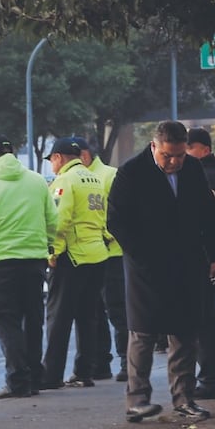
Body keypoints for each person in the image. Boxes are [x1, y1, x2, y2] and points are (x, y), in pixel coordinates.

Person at [107, 121, 215, 422]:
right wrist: (142, 256)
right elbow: (117, 222)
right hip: (145, 265)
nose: (173, 162)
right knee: (143, 333)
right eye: (166, 156)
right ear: (154, 146)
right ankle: (137, 400)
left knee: (184, 332)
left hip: (187, 262)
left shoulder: (192, 170)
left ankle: (184, 399)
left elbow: (208, 217)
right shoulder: (132, 172)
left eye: (179, 156)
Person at [0, 134, 57, 400]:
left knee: (6, 322)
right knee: (32, 321)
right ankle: (34, 378)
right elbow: (53, 220)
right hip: (34, 264)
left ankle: (18, 381)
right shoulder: (37, 182)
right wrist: (46, 246)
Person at [40, 138, 110, 389]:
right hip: (97, 254)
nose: (52, 166)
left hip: (72, 257)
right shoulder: (95, 179)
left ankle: (52, 375)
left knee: (58, 318)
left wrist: (53, 253)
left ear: (58, 157)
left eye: (52, 161)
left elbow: (60, 221)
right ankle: (84, 372)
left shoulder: (65, 181)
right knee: (87, 317)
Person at [74, 136, 130, 383]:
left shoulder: (110, 175)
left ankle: (128, 362)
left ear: (84, 156)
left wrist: (105, 236)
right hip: (87, 255)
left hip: (112, 254)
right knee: (93, 311)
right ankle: (100, 363)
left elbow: (119, 212)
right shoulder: (78, 179)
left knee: (117, 311)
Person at [185, 127, 215, 400]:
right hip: (206, 257)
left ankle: (212, 379)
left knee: (205, 320)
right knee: (204, 318)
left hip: (204, 259)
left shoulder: (207, 177)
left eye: (187, 150)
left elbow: (209, 224)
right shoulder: (210, 175)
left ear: (202, 149)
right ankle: (209, 377)